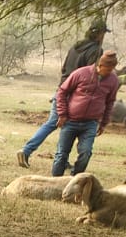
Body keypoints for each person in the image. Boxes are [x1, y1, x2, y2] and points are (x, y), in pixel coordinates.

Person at [18, 20, 108, 168]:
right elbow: (91, 74)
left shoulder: (76, 46)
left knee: (56, 125)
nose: (104, 36)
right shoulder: (97, 51)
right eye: (103, 33)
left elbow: (64, 67)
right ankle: (26, 150)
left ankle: (61, 160)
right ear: (99, 34)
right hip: (76, 94)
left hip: (62, 88)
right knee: (61, 125)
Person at [51, 50, 121, 176]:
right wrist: (62, 114)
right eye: (108, 69)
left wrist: (104, 123)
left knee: (86, 153)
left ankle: (75, 179)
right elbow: (62, 92)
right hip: (70, 120)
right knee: (62, 154)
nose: (110, 72)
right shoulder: (81, 73)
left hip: (90, 123)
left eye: (112, 69)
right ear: (100, 65)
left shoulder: (113, 80)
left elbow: (110, 102)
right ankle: (55, 181)